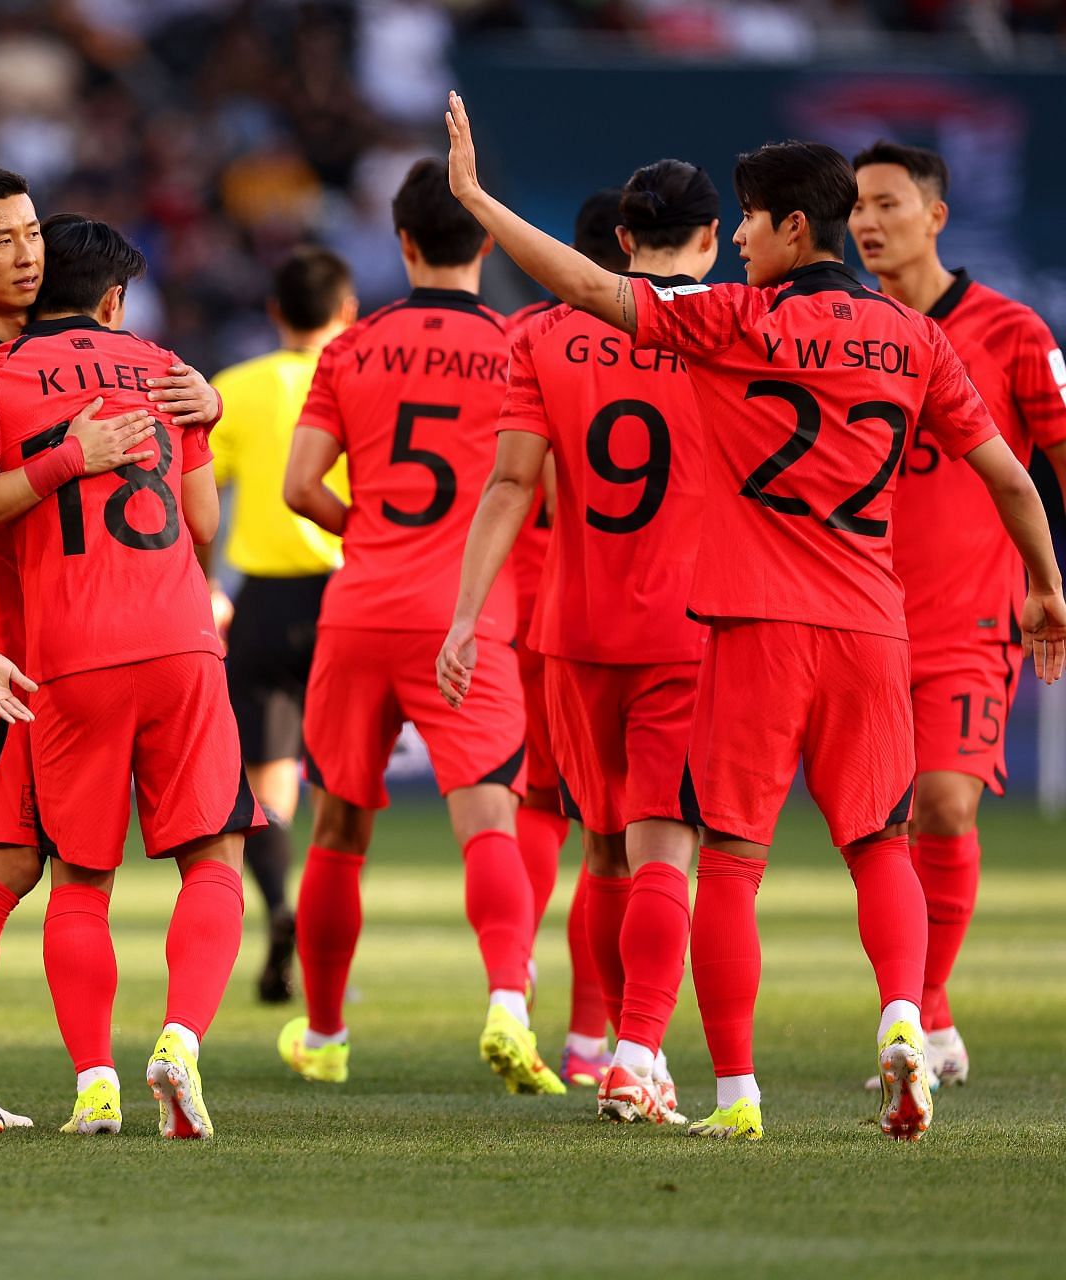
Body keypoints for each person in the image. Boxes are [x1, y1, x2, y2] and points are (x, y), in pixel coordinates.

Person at [443, 92, 1066, 1142]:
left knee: (726, 859)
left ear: (789, 228)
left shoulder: (732, 321)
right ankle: (906, 1019)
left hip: (753, 627)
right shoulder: (915, 339)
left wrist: (476, 198)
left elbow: (589, 285)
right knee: (881, 841)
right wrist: (1049, 585)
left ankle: (735, 1093)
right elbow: (1010, 474)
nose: (733, 238)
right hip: (875, 625)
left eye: (746, 219)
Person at [0, 166, 218, 1133]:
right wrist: (72, 454)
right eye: (0, 240)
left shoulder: (65, 349)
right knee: (7, 858)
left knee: (34, 864)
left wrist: (200, 412)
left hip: (73, 648)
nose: (24, 254)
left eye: (32, 235)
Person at [0, 214, 262, 1139]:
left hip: (68, 655)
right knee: (214, 856)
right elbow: (201, 521)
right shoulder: (166, 369)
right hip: (181, 639)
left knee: (81, 881)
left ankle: (93, 1084)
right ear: (116, 299)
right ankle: (181, 1042)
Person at [440, 159, 721, 1126]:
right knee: (665, 851)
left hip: (572, 630)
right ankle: (638, 1051)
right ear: (714, 240)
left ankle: (600, 1047)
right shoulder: (731, 333)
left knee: (602, 851)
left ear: (623, 242)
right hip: (689, 626)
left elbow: (511, 487)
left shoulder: (542, 336)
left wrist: (468, 616)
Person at [276, 157, 561, 1097]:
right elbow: (540, 487)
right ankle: (510, 1004)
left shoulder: (348, 350)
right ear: (484, 238)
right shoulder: (522, 344)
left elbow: (299, 488)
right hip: (467, 617)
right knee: (489, 819)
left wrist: (373, 532)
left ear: (402, 244)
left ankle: (322, 1035)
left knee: (337, 829)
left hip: (361, 610)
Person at [850, 140, 1066, 1092]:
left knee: (943, 802)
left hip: (972, 621)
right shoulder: (840, 331)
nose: (867, 222)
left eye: (888, 204)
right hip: (855, 615)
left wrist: (1046, 578)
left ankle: (929, 1015)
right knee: (876, 826)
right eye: (856, 206)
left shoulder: (1013, 332)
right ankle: (914, 1007)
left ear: (935, 216)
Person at [204, 246, 357, 1004]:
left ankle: (281, 911)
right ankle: (329, 956)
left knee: (266, 784)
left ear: (274, 313)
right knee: (340, 783)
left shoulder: (237, 387)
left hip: (261, 601)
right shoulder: (360, 375)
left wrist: (208, 585)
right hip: (346, 594)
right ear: (346, 312)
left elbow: (200, 500)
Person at [503, 188, 626, 1089]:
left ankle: (514, 977)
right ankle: (594, 1037)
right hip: (625, 607)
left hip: (532, 608)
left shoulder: (530, 339)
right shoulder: (670, 337)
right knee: (618, 836)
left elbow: (511, 477)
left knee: (539, 805)